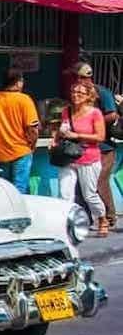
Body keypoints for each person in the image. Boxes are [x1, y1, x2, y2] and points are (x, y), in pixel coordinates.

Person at [57, 80, 110, 236]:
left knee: (89, 195)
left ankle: (102, 218)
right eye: (74, 92)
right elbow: (63, 130)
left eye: (80, 93)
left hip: (89, 158)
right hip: (69, 158)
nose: (76, 96)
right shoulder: (66, 111)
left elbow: (100, 137)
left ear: (88, 96)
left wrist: (77, 135)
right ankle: (68, 223)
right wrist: (56, 139)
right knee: (65, 193)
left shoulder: (95, 113)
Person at [70, 62, 118, 231]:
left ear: (87, 77)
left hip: (105, 148)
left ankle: (109, 217)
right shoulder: (77, 96)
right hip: (84, 149)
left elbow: (112, 114)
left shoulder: (102, 93)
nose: (77, 82)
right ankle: (90, 218)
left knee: (98, 182)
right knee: (82, 187)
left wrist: (93, 123)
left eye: (80, 77)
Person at [0, 69, 41, 189]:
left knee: (6, 190)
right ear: (19, 82)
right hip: (21, 151)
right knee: (19, 190)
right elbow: (33, 130)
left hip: (0, 153)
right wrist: (32, 146)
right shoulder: (24, 100)